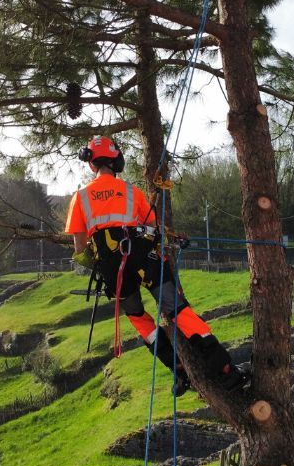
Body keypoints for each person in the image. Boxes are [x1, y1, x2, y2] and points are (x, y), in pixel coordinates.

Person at [65, 136, 247, 396]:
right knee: (178, 312)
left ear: (91, 164)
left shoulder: (80, 198)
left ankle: (180, 371)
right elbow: (153, 229)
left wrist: (99, 259)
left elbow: (79, 249)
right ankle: (226, 372)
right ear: (116, 161)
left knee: (140, 319)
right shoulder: (131, 192)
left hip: (114, 273)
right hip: (144, 261)